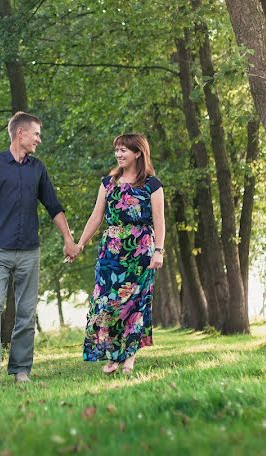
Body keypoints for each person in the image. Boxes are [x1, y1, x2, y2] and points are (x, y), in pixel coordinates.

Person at [0, 112, 78, 384]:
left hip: (29, 251)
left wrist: (68, 239)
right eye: (36, 134)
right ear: (20, 134)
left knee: (25, 311)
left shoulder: (38, 168)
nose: (39, 140)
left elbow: (53, 206)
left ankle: (21, 370)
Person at [68, 133, 165, 374]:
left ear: (138, 153)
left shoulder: (152, 184)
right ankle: (112, 355)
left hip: (141, 250)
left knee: (135, 303)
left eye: (124, 150)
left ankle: (129, 357)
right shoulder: (108, 183)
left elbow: (159, 221)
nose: (119, 154)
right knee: (107, 303)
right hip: (111, 251)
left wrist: (158, 251)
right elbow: (96, 217)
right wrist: (79, 244)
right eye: (117, 150)